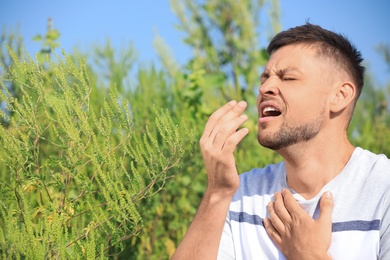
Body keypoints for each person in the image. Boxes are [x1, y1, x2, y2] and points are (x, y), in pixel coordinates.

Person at [172, 23, 390, 259]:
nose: (265, 88)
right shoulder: (239, 195)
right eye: (264, 78)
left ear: (340, 96)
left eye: (288, 78)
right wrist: (217, 193)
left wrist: (309, 255)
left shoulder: (383, 189)